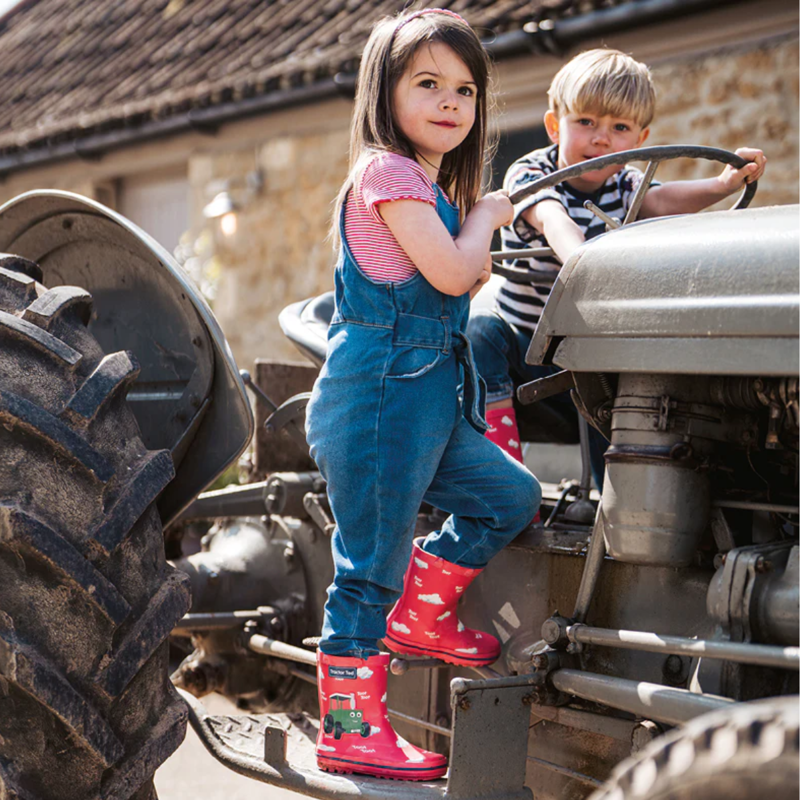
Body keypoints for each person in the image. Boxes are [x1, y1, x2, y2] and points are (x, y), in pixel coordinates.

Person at [304, 8, 541, 781]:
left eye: (465, 90)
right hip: (380, 396)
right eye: (429, 83)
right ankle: (346, 728)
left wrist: (473, 219)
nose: (450, 102)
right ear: (386, 93)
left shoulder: (430, 186)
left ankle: (422, 613)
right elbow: (455, 273)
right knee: (367, 566)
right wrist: (488, 217)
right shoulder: (388, 173)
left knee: (510, 496)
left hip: (428, 401)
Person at [468, 48, 767, 468]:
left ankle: (617, 494)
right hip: (527, 358)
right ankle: (498, 465)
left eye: (619, 127)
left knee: (619, 371)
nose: (602, 138)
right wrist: (584, 259)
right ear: (554, 126)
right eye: (586, 122)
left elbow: (661, 201)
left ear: (640, 140)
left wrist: (722, 185)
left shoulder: (626, 183)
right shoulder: (531, 173)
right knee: (481, 330)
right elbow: (552, 218)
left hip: (590, 360)